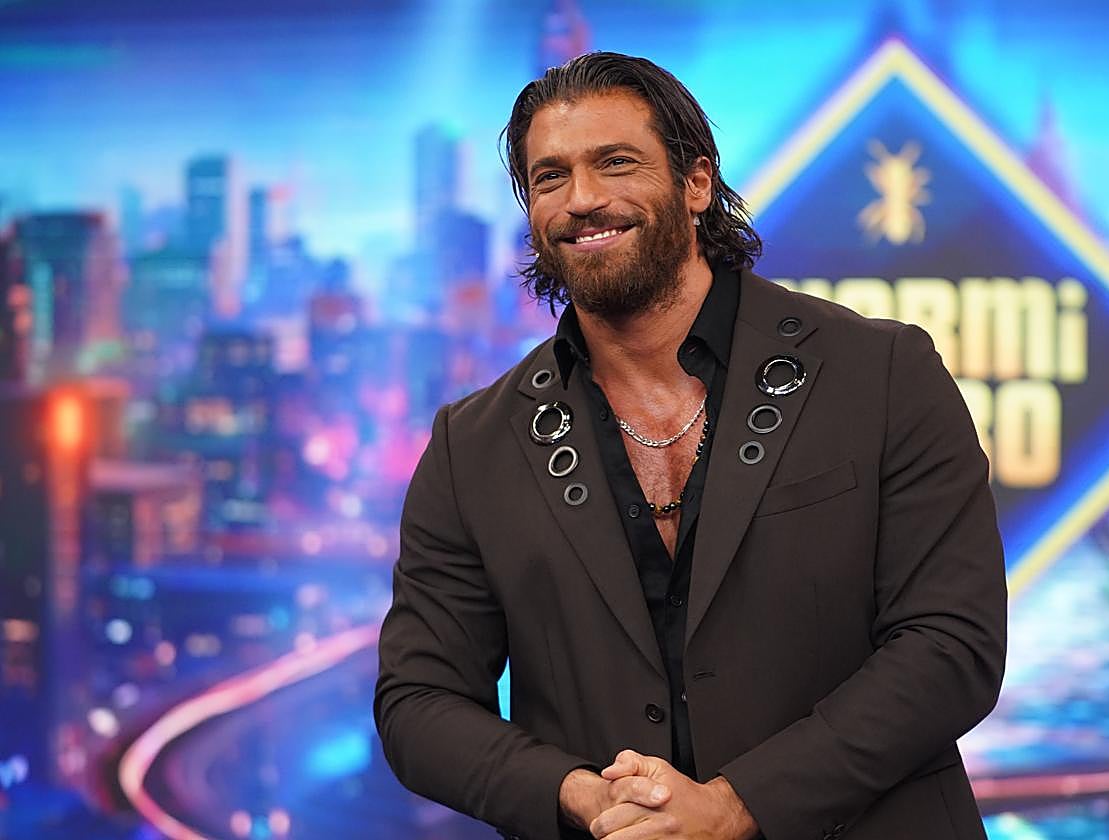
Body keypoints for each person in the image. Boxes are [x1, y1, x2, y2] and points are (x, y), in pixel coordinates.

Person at [375, 51, 1006, 840]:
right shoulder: (471, 446)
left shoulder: (881, 374)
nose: (583, 199)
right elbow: (418, 703)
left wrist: (737, 806)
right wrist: (578, 795)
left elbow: (952, 645)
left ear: (696, 182)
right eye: (550, 177)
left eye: (616, 163)